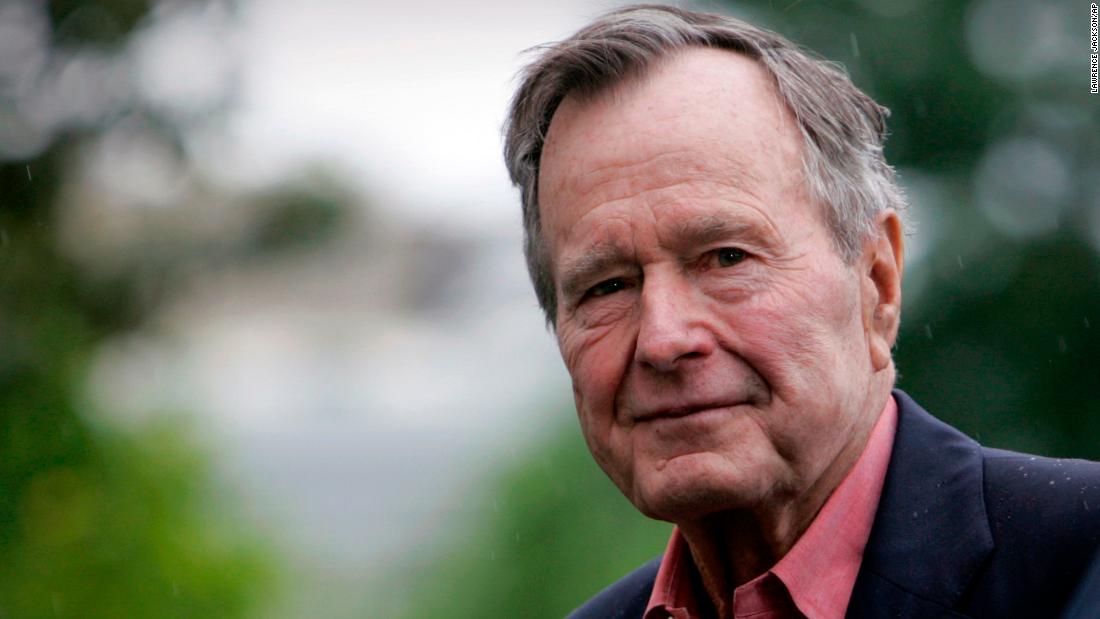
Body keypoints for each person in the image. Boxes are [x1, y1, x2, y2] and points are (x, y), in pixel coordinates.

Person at [502, 5, 1100, 619]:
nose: (663, 338)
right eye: (607, 287)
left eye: (726, 258)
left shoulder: (1082, 562)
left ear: (877, 283)